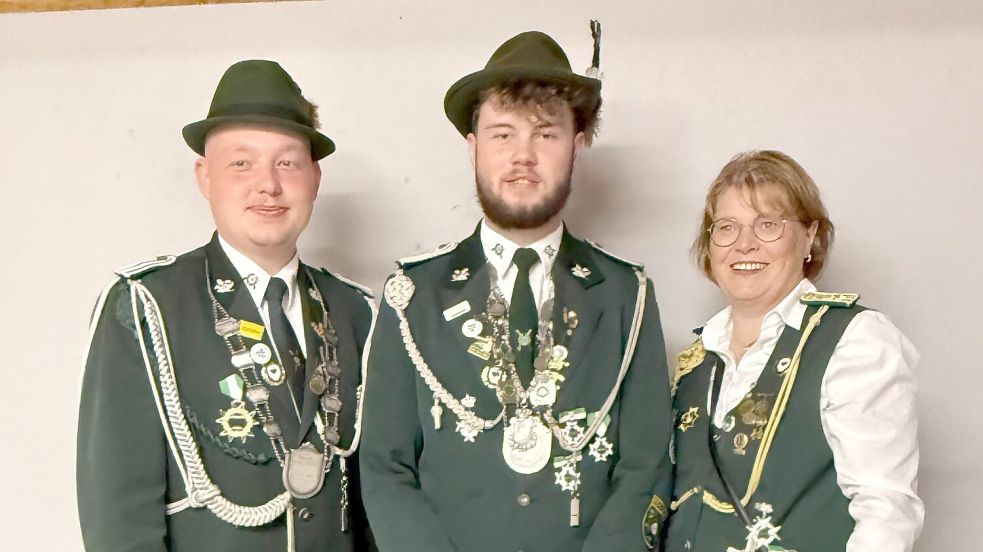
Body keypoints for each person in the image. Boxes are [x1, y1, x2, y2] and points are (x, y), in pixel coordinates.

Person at [359, 29, 674, 552]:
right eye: (502, 134)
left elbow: (645, 466)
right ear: (473, 148)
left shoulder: (626, 295)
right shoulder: (412, 295)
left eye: (545, 135)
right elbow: (384, 468)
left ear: (577, 146)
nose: (522, 156)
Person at [77, 60, 375, 551]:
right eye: (242, 163)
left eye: (287, 163)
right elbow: (118, 521)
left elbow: (375, 502)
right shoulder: (147, 307)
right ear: (205, 177)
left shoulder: (357, 312)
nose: (268, 184)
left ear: (315, 177)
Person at [665, 150, 923, 552]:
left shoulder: (854, 340)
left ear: (809, 237)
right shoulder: (696, 359)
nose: (744, 244)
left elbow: (886, 514)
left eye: (768, 225)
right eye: (727, 227)